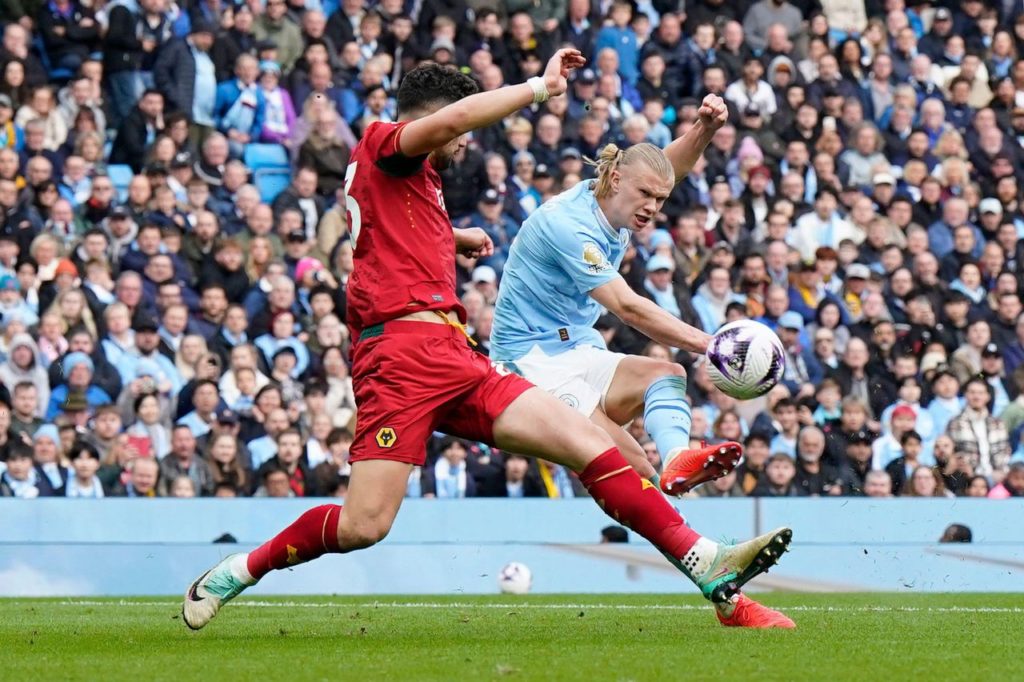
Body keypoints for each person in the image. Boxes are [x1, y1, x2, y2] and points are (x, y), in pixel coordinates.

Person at [182, 54, 792, 631]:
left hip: (455, 354)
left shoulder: (413, 179)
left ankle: (707, 562)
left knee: (587, 442)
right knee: (364, 525)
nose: (467, 140)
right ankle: (238, 571)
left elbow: (386, 241)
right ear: (427, 119)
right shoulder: (381, 139)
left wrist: (453, 237)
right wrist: (538, 89)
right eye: (459, 126)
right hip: (398, 361)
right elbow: (450, 122)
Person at [489, 94, 793, 627]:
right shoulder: (568, 224)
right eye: (646, 195)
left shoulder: (621, 198)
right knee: (628, 472)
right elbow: (629, 307)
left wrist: (702, 128)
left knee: (664, 379)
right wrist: (713, 345)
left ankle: (680, 463)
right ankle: (727, 595)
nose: (654, 206)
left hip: (577, 348)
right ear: (613, 180)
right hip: (528, 364)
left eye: (661, 198)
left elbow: (661, 168)